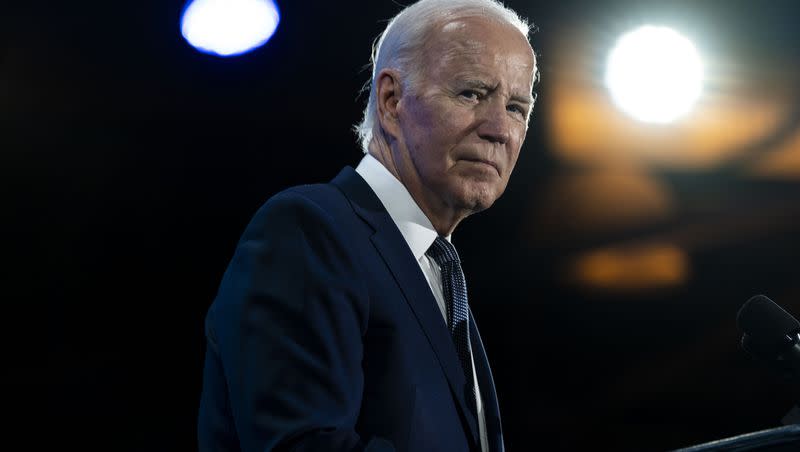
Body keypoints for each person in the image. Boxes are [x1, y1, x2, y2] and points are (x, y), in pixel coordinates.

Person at [197, 0, 538, 450]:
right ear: (392, 100)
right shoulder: (310, 230)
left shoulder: (438, 272)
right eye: (472, 93)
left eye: (516, 108)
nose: (500, 129)